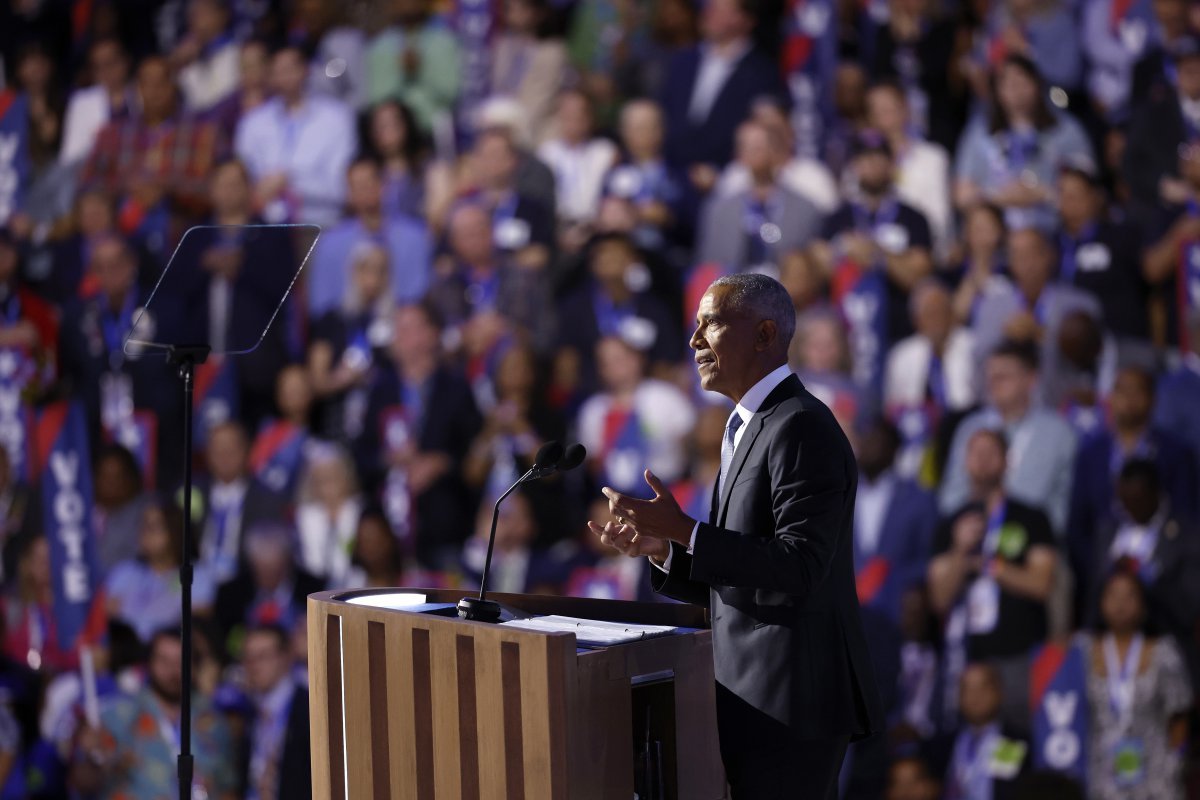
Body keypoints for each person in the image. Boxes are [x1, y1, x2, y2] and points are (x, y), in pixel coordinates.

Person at [591, 273, 882, 799]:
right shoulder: (747, 425)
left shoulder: (800, 425)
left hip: (794, 701)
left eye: (712, 324)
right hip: (750, 696)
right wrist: (667, 551)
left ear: (765, 334)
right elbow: (743, 576)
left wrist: (685, 531)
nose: (694, 340)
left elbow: (798, 568)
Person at [928, 428, 1057, 729]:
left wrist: (991, 565)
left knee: (1018, 743)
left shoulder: (1031, 518)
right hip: (968, 658)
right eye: (976, 453)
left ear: (1007, 461)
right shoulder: (950, 523)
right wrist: (960, 552)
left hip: (1019, 656)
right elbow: (938, 599)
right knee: (969, 746)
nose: (983, 461)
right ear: (964, 462)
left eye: (991, 453)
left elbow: (1041, 585)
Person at [69, 628, 238, 799]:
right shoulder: (119, 715)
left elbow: (227, 786)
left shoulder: (214, 721)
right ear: (149, 664)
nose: (173, 671)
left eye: (181, 661)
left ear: (194, 667)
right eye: (164, 661)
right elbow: (84, 783)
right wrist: (91, 758)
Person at [1068, 366, 1198, 580]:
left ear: (1153, 399)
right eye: (1121, 391)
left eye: (1137, 391)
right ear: (1110, 398)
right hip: (1102, 576)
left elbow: (1186, 518)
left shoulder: (1177, 453)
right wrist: (1098, 573)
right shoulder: (1091, 453)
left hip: (1165, 576)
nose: (1129, 399)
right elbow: (1079, 524)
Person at [1083, 569, 1193, 800]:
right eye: (1113, 595)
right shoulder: (1083, 652)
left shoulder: (1164, 652)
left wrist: (1175, 761)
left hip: (1155, 772)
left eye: (1129, 596)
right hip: (1101, 772)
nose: (1120, 604)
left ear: (1143, 605)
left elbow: (1180, 715)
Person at [233, 45, 356, 226]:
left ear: (305, 70)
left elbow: (340, 188)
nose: (286, 77)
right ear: (271, 75)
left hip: (320, 223)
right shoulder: (252, 123)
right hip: (265, 227)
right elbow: (245, 181)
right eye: (279, 71)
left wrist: (289, 182)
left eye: (291, 69)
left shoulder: (337, 118)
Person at [1086, 460, 1200, 642]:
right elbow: (1094, 595)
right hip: (1110, 643)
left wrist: (1146, 573)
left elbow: (1190, 603)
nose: (1130, 508)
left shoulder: (1185, 535)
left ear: (1156, 493)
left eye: (1138, 500)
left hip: (1166, 639)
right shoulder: (1107, 533)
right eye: (1125, 501)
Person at [306, 156, 432, 318]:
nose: (365, 191)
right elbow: (321, 306)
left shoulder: (415, 237)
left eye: (369, 183)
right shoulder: (329, 244)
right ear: (348, 193)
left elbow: (419, 296)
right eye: (356, 186)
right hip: (346, 331)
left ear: (384, 185)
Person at [696, 120, 821, 274]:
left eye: (760, 145)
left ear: (776, 151)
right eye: (747, 145)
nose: (754, 150)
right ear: (738, 154)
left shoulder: (805, 209)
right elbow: (706, 271)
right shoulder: (718, 211)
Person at [852, 417, 937, 624]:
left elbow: (928, 558)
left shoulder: (919, 499)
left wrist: (895, 581)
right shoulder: (838, 492)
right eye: (865, 439)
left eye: (876, 441)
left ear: (893, 450)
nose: (867, 446)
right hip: (842, 617)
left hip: (896, 618)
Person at [104, 499, 216, 642]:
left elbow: (197, 623)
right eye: (143, 525)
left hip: (172, 651)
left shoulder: (197, 574)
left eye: (153, 527)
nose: (144, 533)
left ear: (174, 531)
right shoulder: (124, 572)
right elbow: (108, 616)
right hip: (127, 651)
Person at [238, 623, 311, 800]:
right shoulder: (248, 708)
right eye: (248, 657)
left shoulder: (308, 708)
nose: (253, 665)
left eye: (262, 656)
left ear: (285, 657)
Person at [363, 0, 461, 132]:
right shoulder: (380, 46)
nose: (409, 3)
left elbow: (450, 92)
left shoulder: (444, 42)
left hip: (432, 132)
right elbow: (376, 98)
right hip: (394, 136)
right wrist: (402, 72)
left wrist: (421, 70)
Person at [943, 662, 1030, 800]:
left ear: (999, 692)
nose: (975, 696)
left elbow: (1007, 788)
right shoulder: (943, 744)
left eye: (983, 688)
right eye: (967, 689)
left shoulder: (1011, 741)